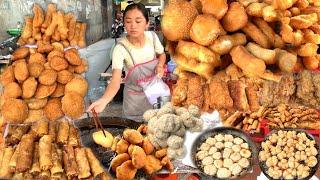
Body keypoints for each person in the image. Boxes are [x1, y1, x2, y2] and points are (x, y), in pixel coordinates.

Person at [87, 3, 166, 120]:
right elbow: (115, 81)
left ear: (147, 23)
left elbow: (162, 54)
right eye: (128, 21)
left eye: (138, 21)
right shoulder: (120, 49)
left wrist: (160, 65)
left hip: (154, 95)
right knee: (133, 133)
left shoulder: (153, 38)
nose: (133, 26)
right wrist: (104, 100)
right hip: (134, 102)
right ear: (124, 23)